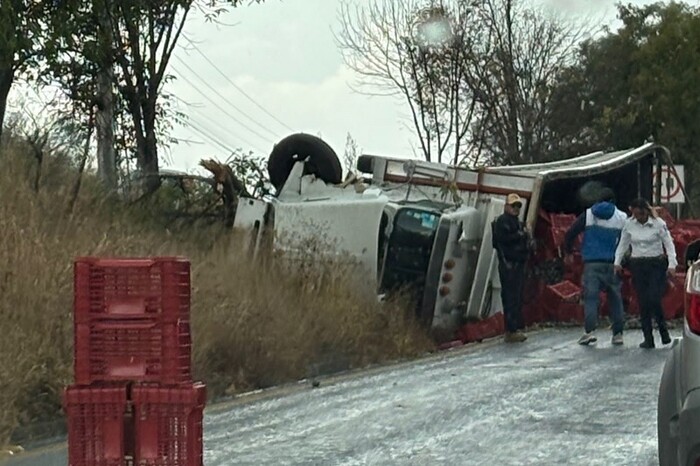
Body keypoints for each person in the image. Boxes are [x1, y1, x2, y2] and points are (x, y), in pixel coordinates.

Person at [564, 189, 627, 346]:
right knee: (615, 298)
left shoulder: (589, 214)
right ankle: (618, 334)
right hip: (613, 263)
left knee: (591, 298)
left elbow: (570, 233)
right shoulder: (622, 217)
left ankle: (589, 332)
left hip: (592, 263)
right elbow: (629, 240)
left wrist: (568, 251)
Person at [614, 198, 678, 349]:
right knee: (643, 302)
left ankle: (663, 331)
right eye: (634, 214)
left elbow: (668, 243)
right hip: (638, 265)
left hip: (655, 264)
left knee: (654, 298)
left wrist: (672, 264)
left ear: (644, 212)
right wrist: (617, 262)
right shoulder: (629, 224)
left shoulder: (658, 224)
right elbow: (623, 244)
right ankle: (648, 338)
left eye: (638, 214)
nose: (636, 217)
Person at [492, 193, 530, 343]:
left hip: (518, 263)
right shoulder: (502, 222)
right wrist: (521, 235)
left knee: (517, 297)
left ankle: (516, 326)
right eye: (513, 205)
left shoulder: (517, 222)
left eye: (518, 206)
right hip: (509, 264)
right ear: (506, 206)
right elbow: (502, 240)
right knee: (510, 297)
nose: (515, 208)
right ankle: (511, 330)